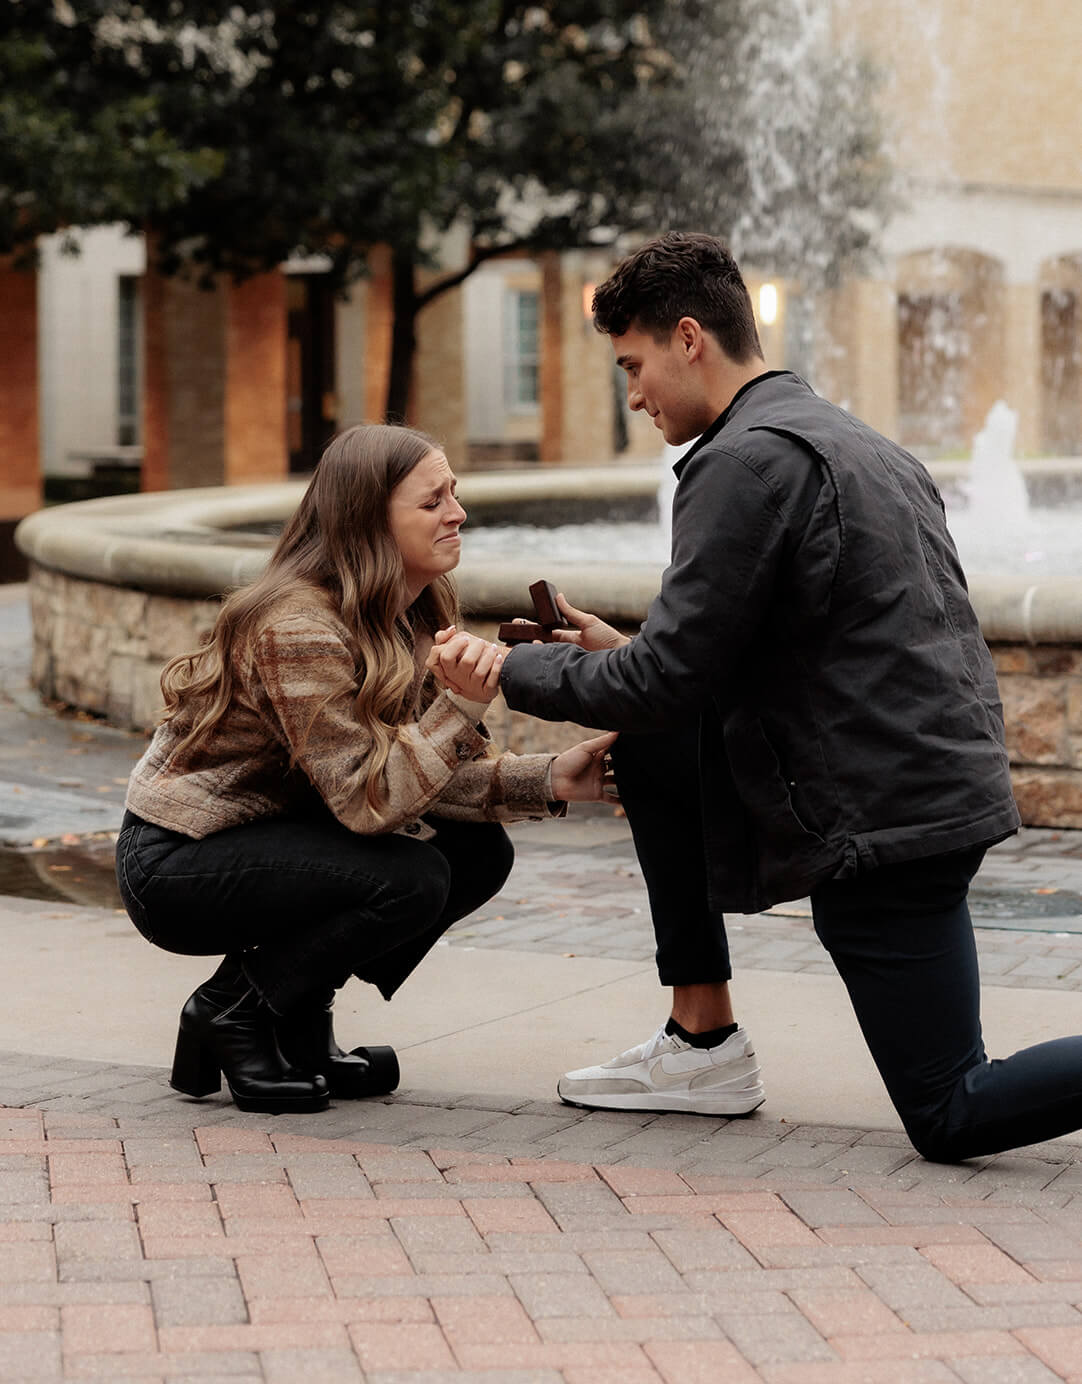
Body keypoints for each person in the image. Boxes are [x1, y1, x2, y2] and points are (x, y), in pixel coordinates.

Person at [428, 230, 1082, 1164]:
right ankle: (702, 1044)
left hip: (882, 827)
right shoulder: (856, 440)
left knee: (952, 1110)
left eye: (635, 365)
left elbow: (665, 681)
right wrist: (623, 650)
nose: (634, 396)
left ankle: (705, 1043)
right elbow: (787, 649)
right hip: (933, 791)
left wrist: (504, 671)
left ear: (689, 338)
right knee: (649, 749)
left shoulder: (741, 462)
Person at [117, 424, 615, 1116]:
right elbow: (368, 800)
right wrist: (462, 710)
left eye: (455, 493)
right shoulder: (297, 627)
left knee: (476, 852)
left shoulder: (407, 609)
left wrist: (555, 778)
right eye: (432, 501)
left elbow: (420, 777)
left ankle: (294, 1017)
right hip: (179, 860)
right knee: (409, 877)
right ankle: (232, 1012)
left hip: (282, 837)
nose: (458, 513)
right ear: (369, 522)